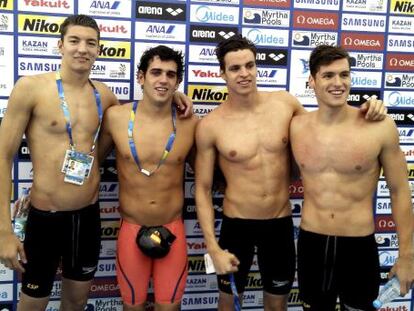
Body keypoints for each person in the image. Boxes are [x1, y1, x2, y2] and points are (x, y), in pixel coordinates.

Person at [0, 15, 192, 311]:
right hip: (44, 218)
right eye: (74, 41)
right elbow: (2, 156)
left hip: (87, 218)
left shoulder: (105, 97)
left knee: (76, 303)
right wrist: (3, 231)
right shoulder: (30, 88)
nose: (82, 49)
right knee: (32, 304)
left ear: (98, 50)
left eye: (91, 42)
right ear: (60, 45)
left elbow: (150, 105)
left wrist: (173, 93)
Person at [195, 35, 387, 311]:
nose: (245, 73)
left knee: (277, 307)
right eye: (235, 68)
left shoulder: (285, 104)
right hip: (235, 227)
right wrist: (212, 248)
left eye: (250, 65)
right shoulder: (211, 125)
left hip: (279, 225)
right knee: (227, 304)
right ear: (222, 73)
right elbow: (201, 188)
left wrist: (368, 110)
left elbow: (324, 124)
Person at [290, 45, 414, 311]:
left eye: (344, 75)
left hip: (358, 246)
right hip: (313, 243)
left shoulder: (379, 126)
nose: (338, 83)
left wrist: (407, 256)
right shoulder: (296, 126)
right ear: (311, 80)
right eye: (328, 75)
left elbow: (399, 191)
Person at [98, 45, 198, 311]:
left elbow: (207, 175)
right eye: (156, 72)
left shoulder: (190, 124)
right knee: (133, 307)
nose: (163, 79)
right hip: (131, 229)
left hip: (172, 230)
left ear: (178, 82)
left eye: (170, 75)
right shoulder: (116, 118)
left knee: (170, 308)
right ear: (141, 77)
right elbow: (91, 161)